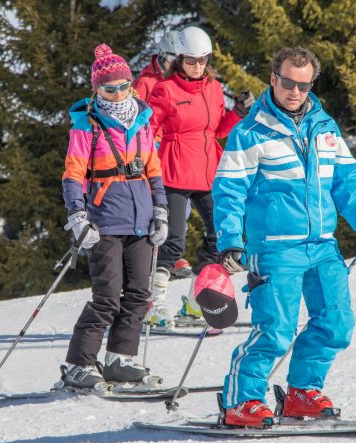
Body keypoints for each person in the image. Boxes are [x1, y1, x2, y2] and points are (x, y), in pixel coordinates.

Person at [212, 46, 356, 427]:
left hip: (323, 245)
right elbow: (229, 191)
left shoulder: (325, 126)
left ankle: (302, 392)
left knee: (336, 322)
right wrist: (230, 240)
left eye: (303, 85)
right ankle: (242, 400)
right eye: (288, 82)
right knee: (275, 330)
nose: (295, 91)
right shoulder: (249, 132)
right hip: (275, 248)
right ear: (274, 78)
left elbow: (346, 183)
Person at [60, 43, 168, 389]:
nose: (118, 93)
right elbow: (73, 173)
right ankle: (79, 364)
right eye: (109, 88)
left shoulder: (141, 119)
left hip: (141, 220)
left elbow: (153, 168)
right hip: (104, 222)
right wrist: (77, 215)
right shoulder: (86, 126)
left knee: (138, 293)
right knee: (107, 297)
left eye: (123, 85)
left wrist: (161, 210)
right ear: (97, 89)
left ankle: (120, 359)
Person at [148, 26, 255, 328]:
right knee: (172, 241)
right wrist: (146, 165)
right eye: (191, 60)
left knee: (219, 235)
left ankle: (196, 303)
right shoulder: (165, 90)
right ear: (179, 60)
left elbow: (218, 129)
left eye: (203, 61)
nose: (197, 67)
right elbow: (149, 129)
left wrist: (238, 112)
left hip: (208, 172)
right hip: (174, 171)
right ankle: (154, 305)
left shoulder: (213, 87)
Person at [132, 30, 192, 279]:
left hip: (176, 154)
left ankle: (170, 254)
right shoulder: (146, 83)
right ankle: (150, 255)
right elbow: (137, 120)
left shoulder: (181, 82)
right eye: (173, 60)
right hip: (153, 153)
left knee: (181, 208)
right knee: (155, 204)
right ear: (164, 57)